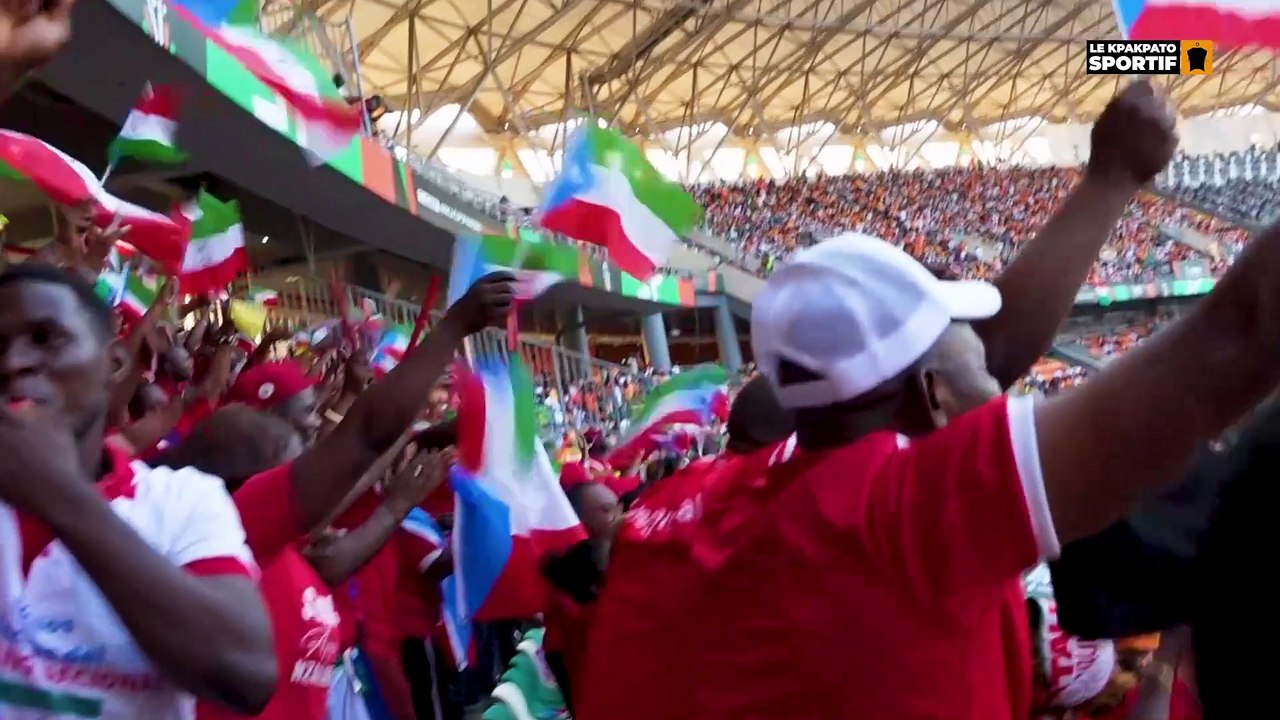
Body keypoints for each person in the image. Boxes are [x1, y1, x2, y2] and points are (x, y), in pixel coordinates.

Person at [0, 263, 277, 716]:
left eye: (46, 338)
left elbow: (245, 673)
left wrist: (57, 492)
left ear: (114, 364)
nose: (12, 363)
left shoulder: (183, 501)